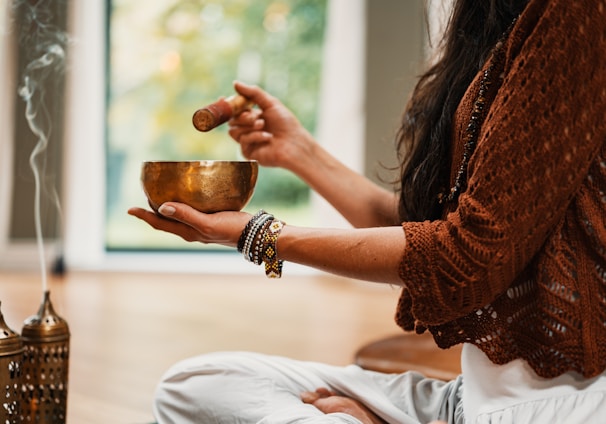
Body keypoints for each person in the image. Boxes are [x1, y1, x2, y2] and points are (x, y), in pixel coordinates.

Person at [128, 0, 606, 422]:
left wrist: (258, 236)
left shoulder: (578, 11)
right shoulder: (501, 21)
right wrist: (299, 152)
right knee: (194, 385)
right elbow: (422, 234)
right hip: (468, 402)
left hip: (555, 408)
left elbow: (467, 256)